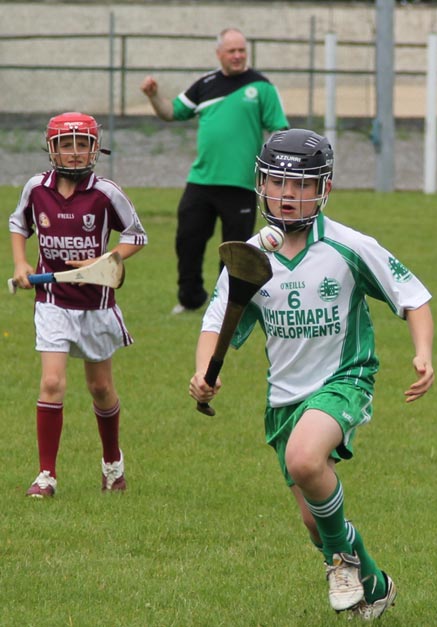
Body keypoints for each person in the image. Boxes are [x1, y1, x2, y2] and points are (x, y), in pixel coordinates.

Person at [189, 128, 434, 618]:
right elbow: (216, 322)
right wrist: (203, 372)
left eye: (301, 185)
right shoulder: (249, 255)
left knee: (305, 460)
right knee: (311, 517)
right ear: (261, 184)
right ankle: (375, 581)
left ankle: (340, 561)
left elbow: (414, 297)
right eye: (278, 183)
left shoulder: (349, 246)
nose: (288, 195)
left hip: (345, 378)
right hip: (284, 399)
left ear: (323, 189)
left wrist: (423, 353)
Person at [9, 111, 148, 498]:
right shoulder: (36, 188)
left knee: (101, 388)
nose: (74, 153)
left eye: (82, 144)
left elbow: (137, 236)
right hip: (51, 299)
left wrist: (105, 261)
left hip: (96, 303)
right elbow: (19, 224)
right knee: (52, 382)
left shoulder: (106, 193)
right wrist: (21, 262)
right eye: (66, 145)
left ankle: (112, 463)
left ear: (94, 149)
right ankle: (46, 476)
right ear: (51, 148)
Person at [140, 27, 289, 314]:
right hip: (202, 181)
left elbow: (279, 130)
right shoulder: (205, 84)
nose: (237, 56)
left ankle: (227, 304)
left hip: (242, 184)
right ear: (219, 53)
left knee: (235, 251)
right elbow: (171, 112)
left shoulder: (262, 86)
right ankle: (190, 299)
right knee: (188, 242)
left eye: (242, 50)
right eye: (231, 51)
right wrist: (153, 96)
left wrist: (273, 173)